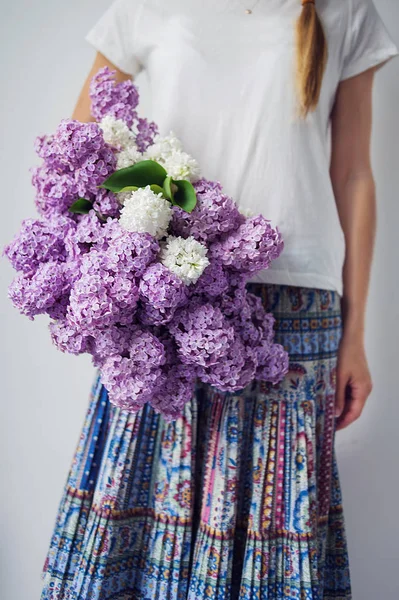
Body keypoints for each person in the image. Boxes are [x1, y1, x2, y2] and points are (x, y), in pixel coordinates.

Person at [40, 1, 398, 598]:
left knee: (276, 524)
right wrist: (116, 266)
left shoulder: (346, 11)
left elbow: (355, 173)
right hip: (167, 299)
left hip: (296, 306)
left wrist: (355, 336)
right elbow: (81, 148)